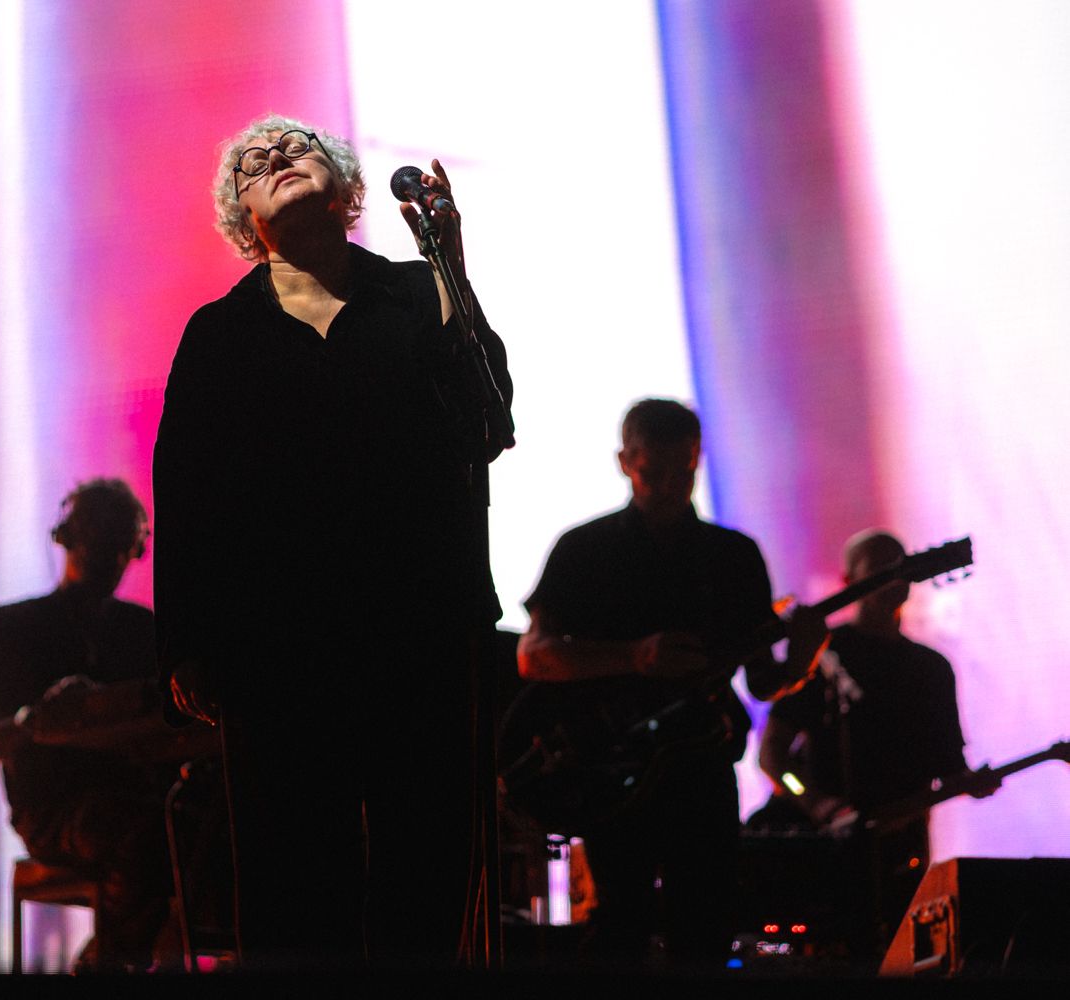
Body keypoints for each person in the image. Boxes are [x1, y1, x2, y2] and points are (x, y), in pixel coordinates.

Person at [153, 114, 511, 968]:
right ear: (244, 219)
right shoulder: (219, 334)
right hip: (276, 648)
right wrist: (187, 644)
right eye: (254, 163)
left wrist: (451, 268)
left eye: (296, 148)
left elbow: (488, 425)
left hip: (420, 631)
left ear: (344, 185)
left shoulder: (416, 295)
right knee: (291, 881)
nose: (277, 158)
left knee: (425, 867)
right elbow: (187, 490)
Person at [515, 398, 826, 967]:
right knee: (621, 924)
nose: (665, 487)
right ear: (624, 462)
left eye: (680, 474)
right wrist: (634, 657)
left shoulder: (733, 558)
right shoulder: (584, 550)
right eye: (650, 472)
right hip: (613, 769)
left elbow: (762, 683)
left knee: (702, 930)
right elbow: (534, 658)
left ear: (697, 460)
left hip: (701, 768)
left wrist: (802, 661)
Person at [0, 478, 172, 972]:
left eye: (121, 545)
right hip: (53, 812)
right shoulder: (13, 628)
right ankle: (109, 963)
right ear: (68, 538)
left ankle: (110, 958)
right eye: (104, 541)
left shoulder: (142, 629)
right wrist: (32, 723)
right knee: (149, 832)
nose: (113, 558)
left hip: (138, 802)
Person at [758, 528, 971, 948]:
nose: (893, 578)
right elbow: (772, 757)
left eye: (900, 567)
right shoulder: (822, 655)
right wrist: (817, 804)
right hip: (823, 852)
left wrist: (968, 783)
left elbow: (948, 768)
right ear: (849, 580)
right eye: (879, 569)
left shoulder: (931, 669)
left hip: (901, 851)